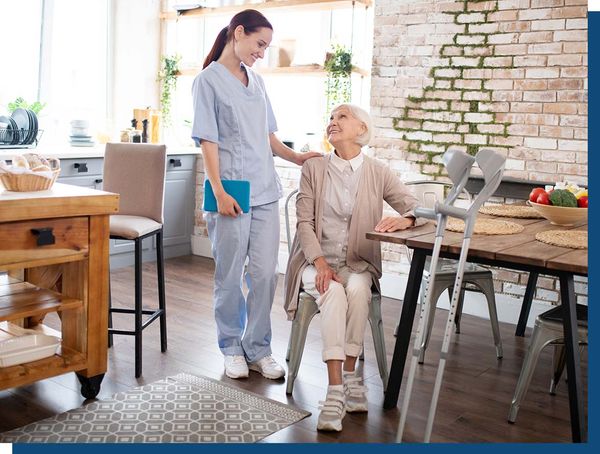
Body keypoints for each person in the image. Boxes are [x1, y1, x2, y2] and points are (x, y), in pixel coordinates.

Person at [191, 9, 320, 380]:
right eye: (259, 44)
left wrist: (296, 157)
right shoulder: (207, 81)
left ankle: (258, 348)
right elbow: (208, 142)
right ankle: (231, 347)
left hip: (264, 189)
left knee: (264, 275)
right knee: (229, 275)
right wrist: (217, 189)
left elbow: (268, 136)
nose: (261, 52)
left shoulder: (257, 82)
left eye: (266, 47)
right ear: (239, 33)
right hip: (229, 190)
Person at [284, 104, 425, 431]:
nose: (332, 121)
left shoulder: (377, 171)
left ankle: (350, 377)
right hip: (313, 263)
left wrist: (403, 218)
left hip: (357, 263)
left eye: (341, 117)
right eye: (330, 117)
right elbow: (304, 222)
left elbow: (416, 208)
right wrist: (319, 263)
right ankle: (335, 391)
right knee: (331, 291)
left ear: (361, 128)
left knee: (359, 286)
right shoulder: (314, 168)